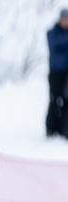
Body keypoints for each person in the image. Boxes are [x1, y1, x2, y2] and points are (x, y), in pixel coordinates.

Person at [47, 9, 68, 138]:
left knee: (66, 101)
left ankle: (63, 129)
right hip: (56, 72)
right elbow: (55, 47)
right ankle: (50, 128)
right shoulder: (52, 32)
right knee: (54, 99)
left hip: (67, 74)